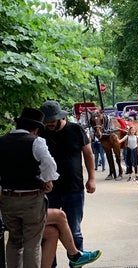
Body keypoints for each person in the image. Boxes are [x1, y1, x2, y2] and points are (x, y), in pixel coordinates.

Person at [0, 107, 59, 268]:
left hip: (7, 198)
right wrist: (47, 180)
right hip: (31, 199)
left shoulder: (2, 141)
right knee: (32, 243)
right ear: (35, 129)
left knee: (13, 241)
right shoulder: (36, 141)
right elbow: (49, 164)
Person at [39, 100, 96, 266]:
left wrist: (91, 178)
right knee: (49, 231)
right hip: (49, 189)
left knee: (75, 229)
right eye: (46, 121)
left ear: (59, 117)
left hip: (74, 188)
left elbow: (88, 154)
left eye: (51, 120)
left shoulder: (75, 129)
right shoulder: (42, 132)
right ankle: (51, 264)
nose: (49, 124)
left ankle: (77, 262)